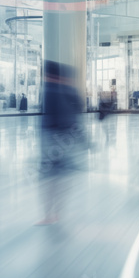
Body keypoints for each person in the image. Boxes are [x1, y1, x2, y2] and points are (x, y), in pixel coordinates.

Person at [37, 61, 83, 225]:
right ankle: (57, 213)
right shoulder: (69, 89)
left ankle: (49, 214)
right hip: (65, 139)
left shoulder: (49, 89)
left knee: (49, 178)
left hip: (52, 139)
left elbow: (48, 116)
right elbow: (78, 110)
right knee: (61, 176)